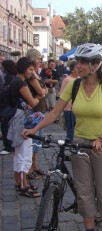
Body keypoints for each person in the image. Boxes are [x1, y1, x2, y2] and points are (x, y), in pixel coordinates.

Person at [23, 43, 102, 231]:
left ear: (95, 65)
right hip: (79, 141)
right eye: (78, 62)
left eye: (83, 62)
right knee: (83, 191)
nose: (78, 65)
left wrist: (101, 138)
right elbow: (54, 112)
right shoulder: (75, 85)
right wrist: (34, 129)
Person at [7, 57, 41, 198]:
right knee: (24, 154)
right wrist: (40, 96)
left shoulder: (14, 81)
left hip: (14, 119)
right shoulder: (21, 83)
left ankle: (18, 182)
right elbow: (33, 103)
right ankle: (24, 185)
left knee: (19, 154)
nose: (32, 73)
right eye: (31, 69)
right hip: (21, 122)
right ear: (23, 68)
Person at [25, 48, 49, 180]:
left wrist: (44, 90)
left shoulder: (36, 72)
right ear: (33, 59)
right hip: (35, 109)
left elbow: (44, 90)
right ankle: (29, 167)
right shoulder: (32, 74)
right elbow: (41, 91)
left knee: (38, 140)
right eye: (39, 58)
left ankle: (35, 165)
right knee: (34, 140)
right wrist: (44, 90)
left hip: (41, 108)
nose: (41, 60)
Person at [0, 60, 17, 155]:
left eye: (3, 66)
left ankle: (8, 146)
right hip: (11, 104)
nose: (2, 68)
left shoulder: (8, 77)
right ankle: (10, 145)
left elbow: (4, 91)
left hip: (7, 104)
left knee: (5, 125)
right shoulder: (13, 76)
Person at [59, 60, 78, 142]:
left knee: (75, 128)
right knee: (70, 129)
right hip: (69, 108)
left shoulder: (78, 79)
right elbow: (62, 94)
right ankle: (69, 144)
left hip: (76, 108)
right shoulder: (68, 79)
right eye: (77, 68)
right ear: (72, 69)